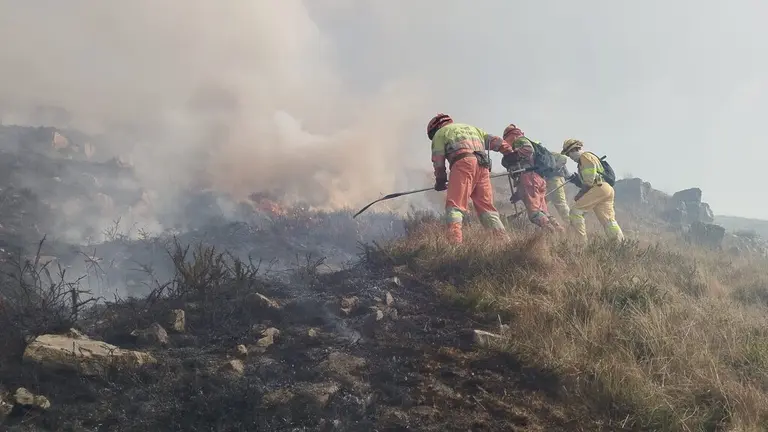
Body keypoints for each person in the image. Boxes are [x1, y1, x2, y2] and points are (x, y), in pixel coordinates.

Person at [428, 113, 514, 243]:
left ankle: (454, 243)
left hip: (463, 164)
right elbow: (495, 141)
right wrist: (508, 151)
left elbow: (438, 161)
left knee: (455, 207)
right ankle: (504, 242)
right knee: (487, 209)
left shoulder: (441, 133)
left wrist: (440, 180)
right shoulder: (472, 129)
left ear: (435, 128)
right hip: (483, 167)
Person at [500, 124, 563, 232]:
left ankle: (552, 234)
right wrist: (520, 192)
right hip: (537, 180)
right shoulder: (520, 139)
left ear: (509, 135)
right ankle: (561, 232)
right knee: (543, 211)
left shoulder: (519, 139)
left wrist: (512, 156)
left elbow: (528, 149)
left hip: (529, 178)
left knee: (534, 214)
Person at [561, 138, 625, 242]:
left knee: (575, 212)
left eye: (569, 154)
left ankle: (581, 244)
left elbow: (588, 181)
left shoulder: (585, 157)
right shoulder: (588, 158)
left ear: (574, 150)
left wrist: (580, 194)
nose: (570, 157)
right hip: (606, 189)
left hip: (598, 188)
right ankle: (620, 244)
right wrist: (572, 177)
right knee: (608, 221)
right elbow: (588, 179)